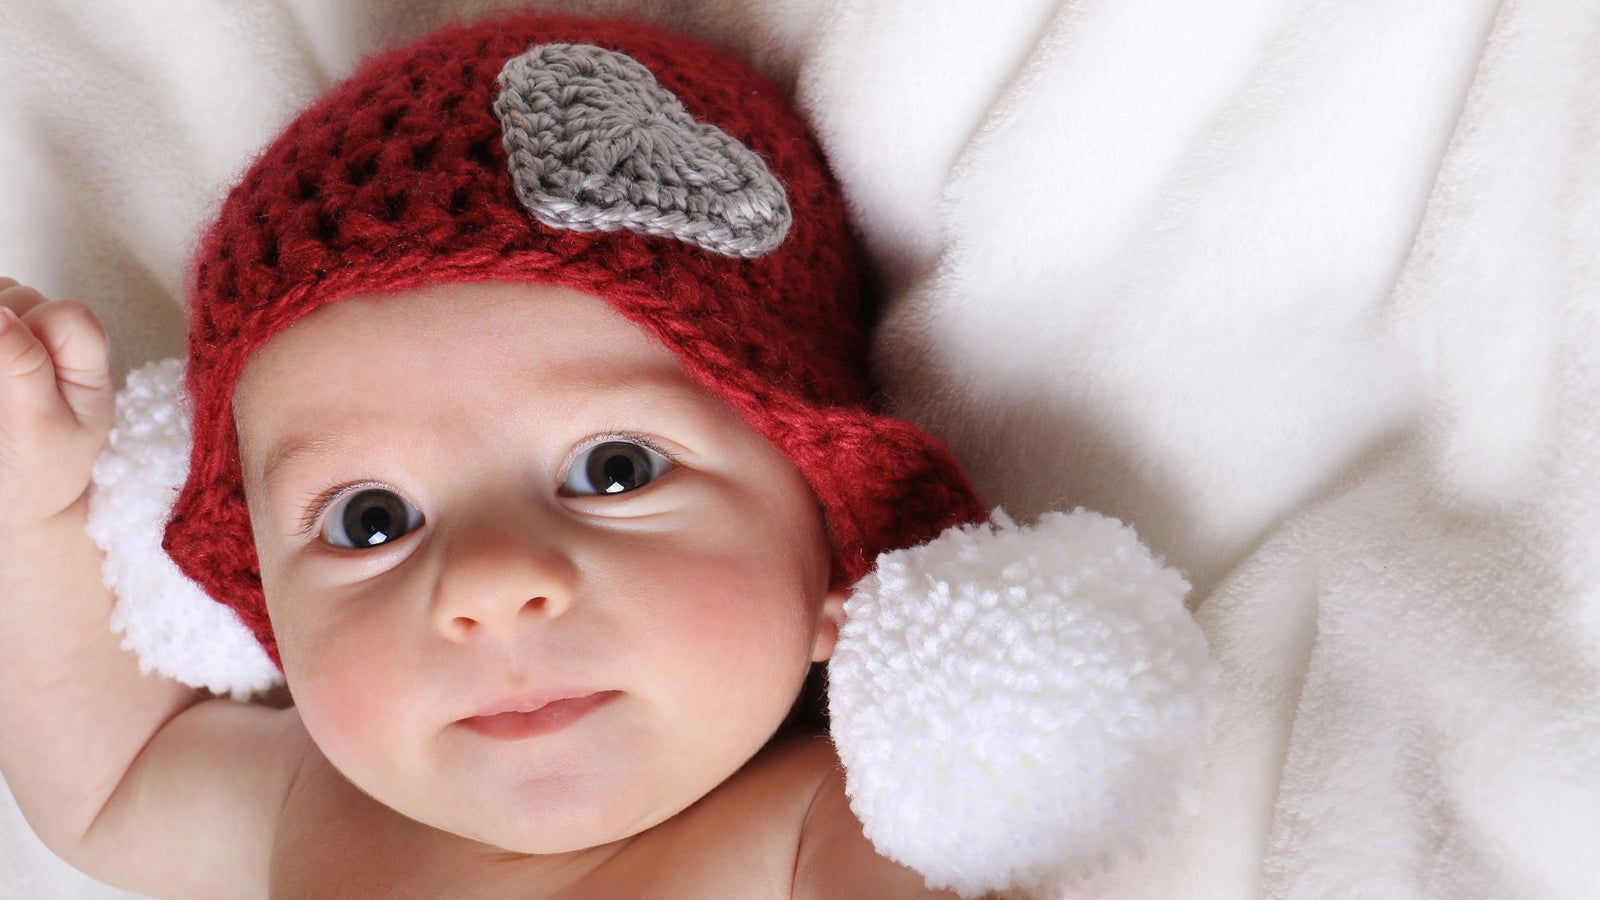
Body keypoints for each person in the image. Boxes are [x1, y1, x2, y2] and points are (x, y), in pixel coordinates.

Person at [0, 10, 990, 898]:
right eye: (369, 522)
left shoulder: (836, 833)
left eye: (615, 470)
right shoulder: (313, 810)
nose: (488, 580)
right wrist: (30, 509)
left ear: (835, 543)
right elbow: (109, 777)